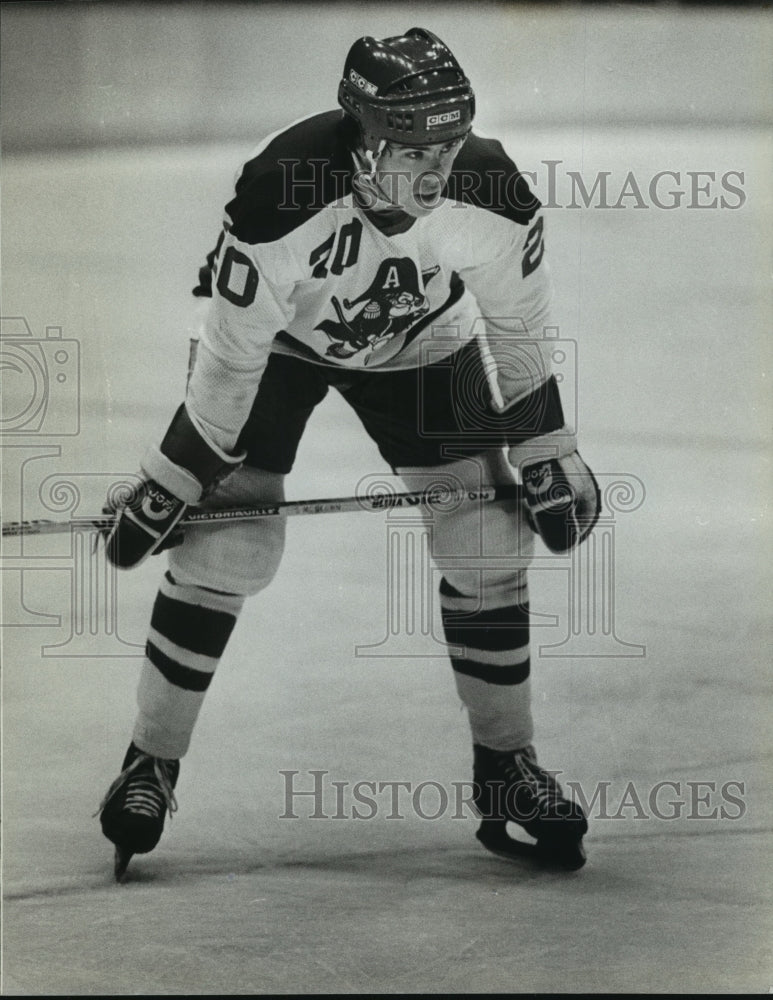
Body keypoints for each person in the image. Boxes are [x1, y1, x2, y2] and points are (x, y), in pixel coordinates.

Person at [97, 27, 600, 878]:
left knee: (485, 540)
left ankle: (506, 770)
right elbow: (229, 358)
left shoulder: (490, 190)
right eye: (412, 149)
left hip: (421, 342)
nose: (436, 170)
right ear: (364, 141)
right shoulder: (280, 195)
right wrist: (175, 477)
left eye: (447, 144)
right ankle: (150, 762)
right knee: (232, 542)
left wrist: (547, 450)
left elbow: (515, 328)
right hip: (282, 349)